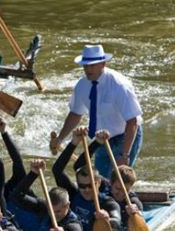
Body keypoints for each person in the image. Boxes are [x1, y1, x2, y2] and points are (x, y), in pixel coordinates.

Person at [51, 44, 143, 178]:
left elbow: (132, 121)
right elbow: (75, 114)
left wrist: (124, 154)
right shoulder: (82, 85)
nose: (88, 69)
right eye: (85, 65)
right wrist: (60, 138)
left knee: (117, 180)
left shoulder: (119, 86)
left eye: (92, 65)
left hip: (125, 136)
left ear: (103, 64)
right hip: (100, 140)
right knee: (99, 180)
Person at [52, 127, 121, 231]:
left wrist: (108, 220)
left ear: (98, 183)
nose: (86, 190)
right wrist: (74, 142)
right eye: (82, 186)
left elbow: (117, 222)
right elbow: (57, 170)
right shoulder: (73, 194)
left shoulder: (107, 202)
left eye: (90, 185)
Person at [73, 130, 144, 231]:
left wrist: (137, 213)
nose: (121, 193)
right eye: (118, 189)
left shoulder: (132, 199)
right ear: (110, 183)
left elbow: (139, 212)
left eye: (126, 190)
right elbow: (79, 166)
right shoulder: (103, 185)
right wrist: (97, 142)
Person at [10, 160, 83, 231]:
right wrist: (33, 174)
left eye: (58, 211)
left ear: (67, 205)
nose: (53, 215)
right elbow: (16, 197)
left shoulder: (73, 224)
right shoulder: (44, 207)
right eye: (50, 211)